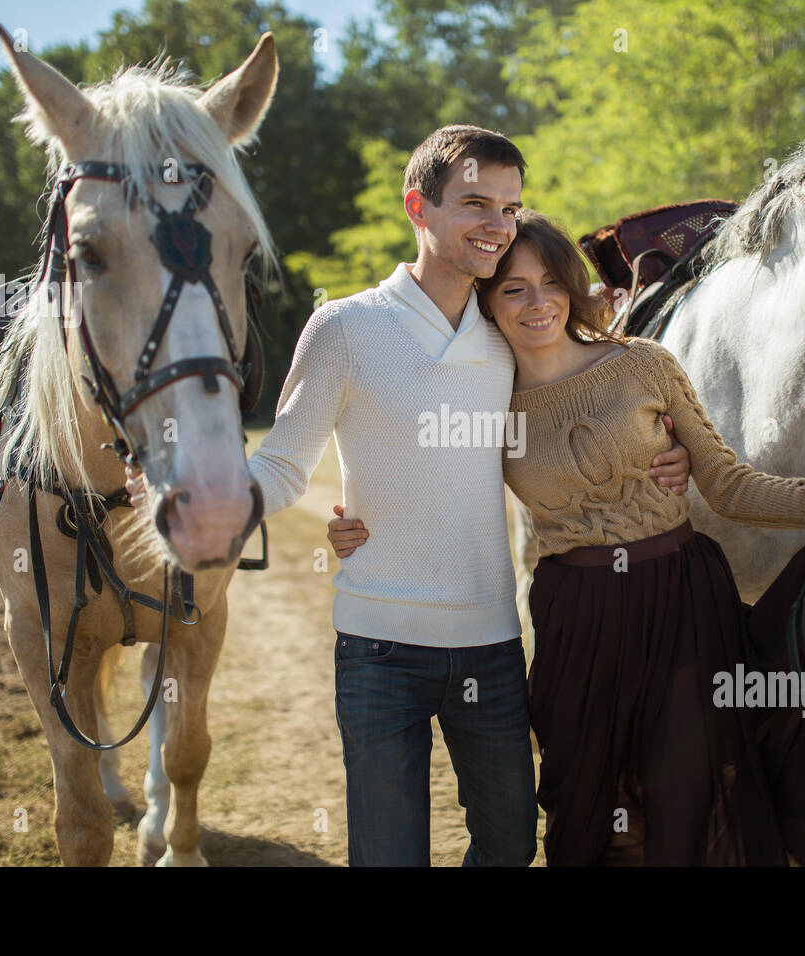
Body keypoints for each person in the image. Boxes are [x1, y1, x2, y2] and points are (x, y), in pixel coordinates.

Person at [125, 126, 693, 866]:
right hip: (379, 648)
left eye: (511, 208)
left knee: (511, 844)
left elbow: (580, 411)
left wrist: (664, 452)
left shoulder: (509, 333)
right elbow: (287, 464)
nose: (497, 224)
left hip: (491, 644)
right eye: (477, 203)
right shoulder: (345, 327)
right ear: (418, 206)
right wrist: (224, 500)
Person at [328, 209, 805, 866]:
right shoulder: (487, 398)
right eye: (513, 288)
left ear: (573, 288)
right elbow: (426, 476)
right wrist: (354, 517)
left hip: (682, 605)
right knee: (586, 804)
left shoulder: (644, 365)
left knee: (689, 792)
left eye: (550, 282)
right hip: (576, 618)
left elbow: (728, 485)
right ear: (488, 299)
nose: (537, 302)